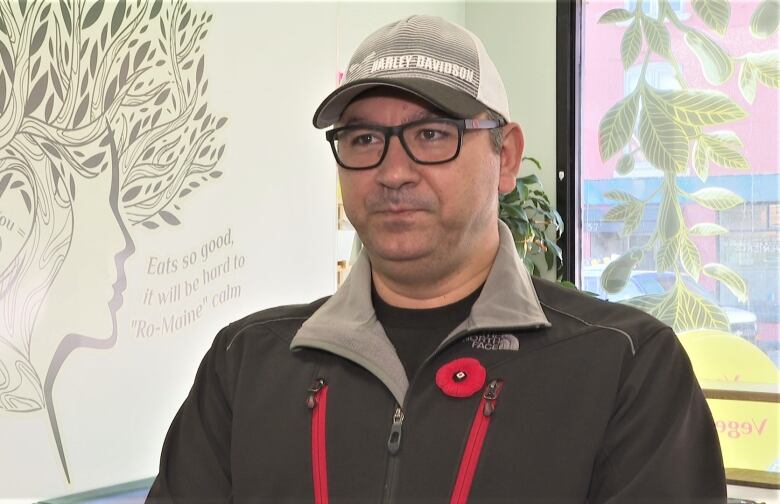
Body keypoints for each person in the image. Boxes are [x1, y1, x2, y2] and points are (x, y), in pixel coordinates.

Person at [147, 15, 726, 503]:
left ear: (505, 158)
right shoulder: (246, 363)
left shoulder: (624, 365)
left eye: (431, 134)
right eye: (363, 139)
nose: (393, 172)